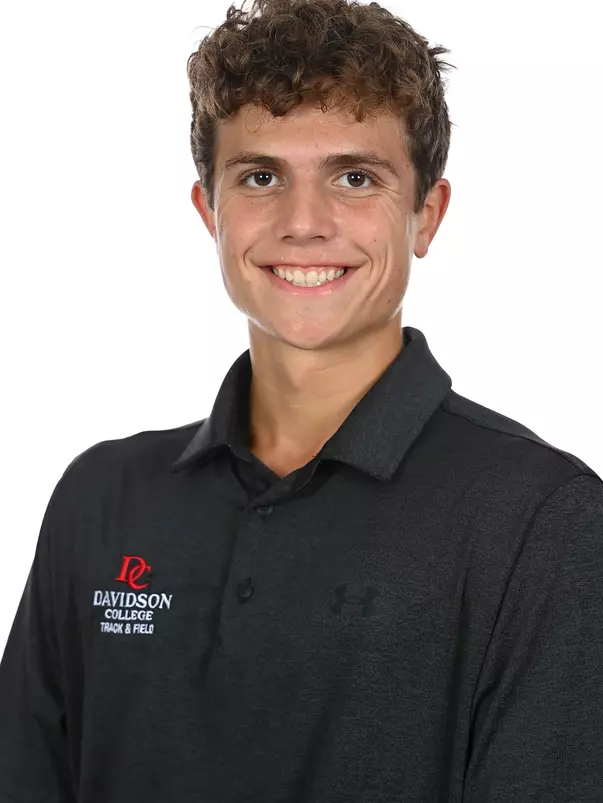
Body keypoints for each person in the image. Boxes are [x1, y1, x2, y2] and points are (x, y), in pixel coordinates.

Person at [1, 0, 602, 800]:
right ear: (209, 210)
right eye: (260, 176)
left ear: (426, 213)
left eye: (355, 177)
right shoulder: (99, 497)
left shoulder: (544, 522)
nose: (304, 223)